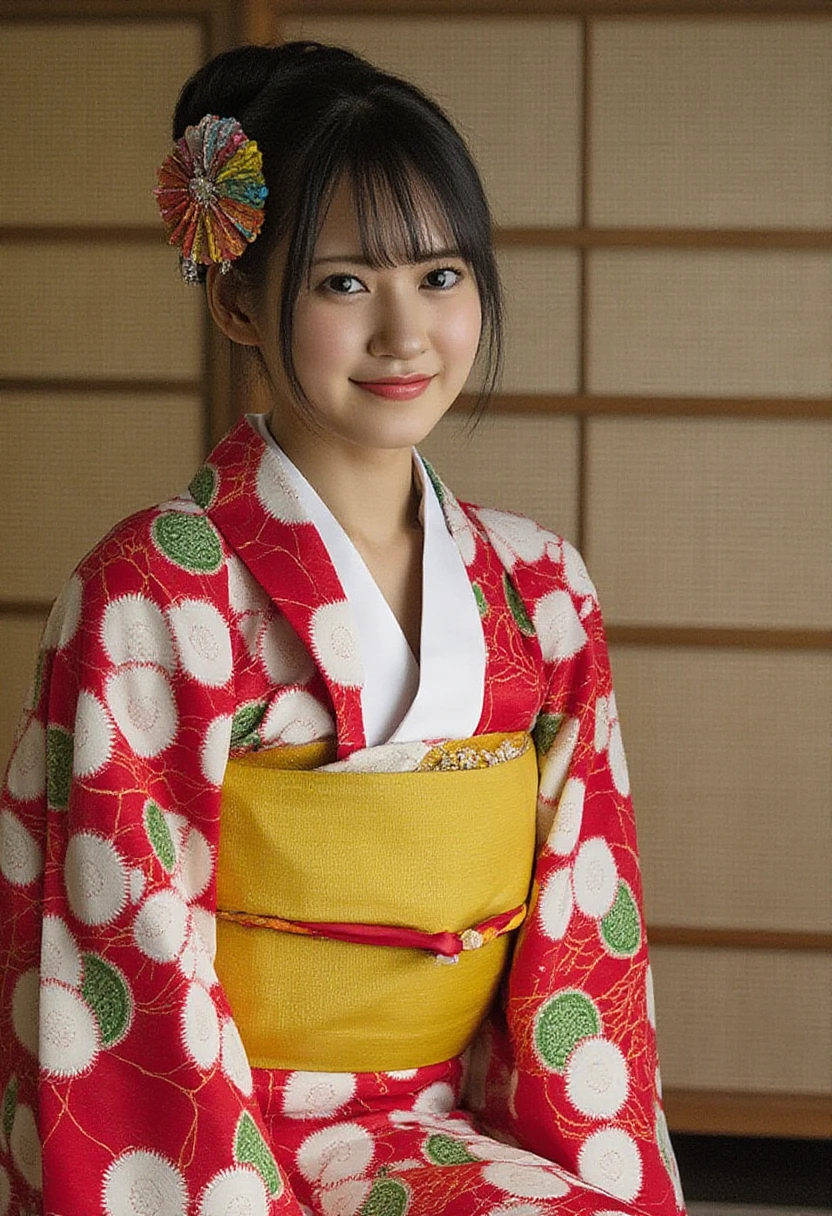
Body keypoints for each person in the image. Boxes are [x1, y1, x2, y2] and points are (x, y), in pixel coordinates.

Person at [0, 42, 685, 1216]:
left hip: (443, 1123)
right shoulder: (154, 592)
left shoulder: (539, 586)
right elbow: (124, 948)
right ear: (236, 299)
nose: (406, 333)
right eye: (343, 283)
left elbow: (585, 930)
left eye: (440, 275)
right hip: (213, 1124)